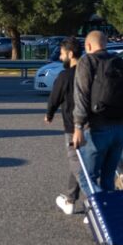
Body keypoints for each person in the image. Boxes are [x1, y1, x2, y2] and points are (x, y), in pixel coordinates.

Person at [72, 31, 123, 195]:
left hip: (98, 127)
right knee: (108, 177)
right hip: (120, 128)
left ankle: (102, 212)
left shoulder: (87, 61)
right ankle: (111, 213)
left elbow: (82, 95)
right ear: (105, 44)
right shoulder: (120, 63)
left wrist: (78, 126)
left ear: (88, 46)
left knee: (86, 178)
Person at [44, 37, 83, 215]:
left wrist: (49, 114)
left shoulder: (65, 76)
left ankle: (93, 204)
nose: (60, 58)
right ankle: (71, 199)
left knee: (77, 164)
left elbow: (55, 97)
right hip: (94, 125)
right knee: (82, 163)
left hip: (73, 127)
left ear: (70, 54)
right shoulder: (89, 73)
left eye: (61, 54)